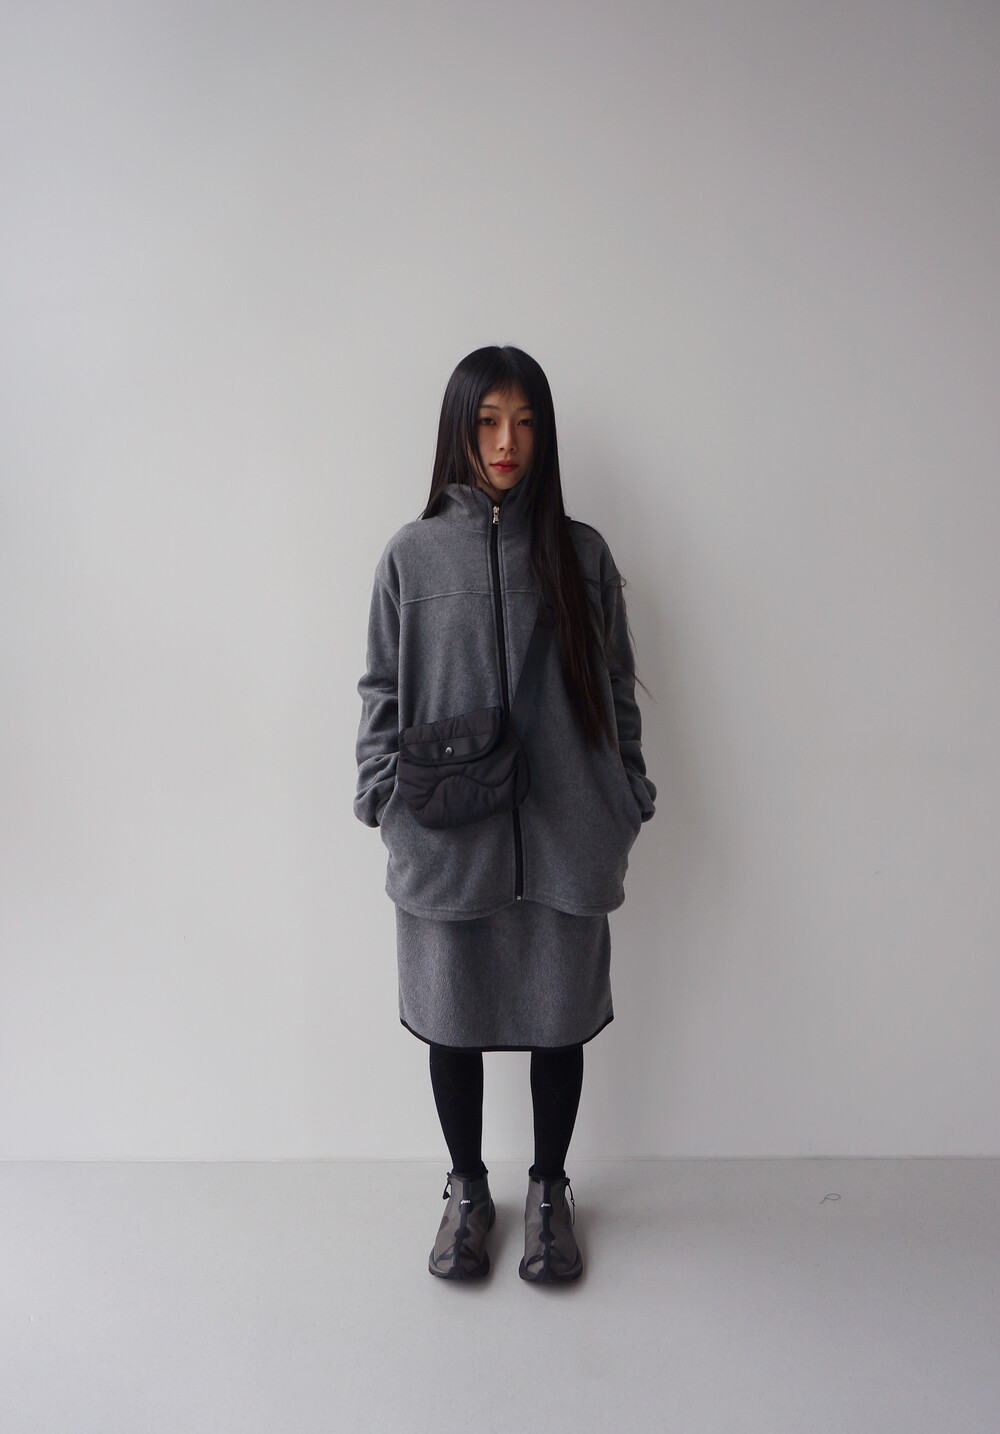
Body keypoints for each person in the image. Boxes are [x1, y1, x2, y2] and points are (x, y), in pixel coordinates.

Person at [354, 345, 655, 1284]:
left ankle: (551, 1193)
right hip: (446, 839)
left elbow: (618, 687)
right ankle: (467, 1191)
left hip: (567, 835)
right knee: (452, 1022)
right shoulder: (410, 556)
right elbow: (380, 689)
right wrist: (380, 797)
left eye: (524, 421)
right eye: (487, 421)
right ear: (458, 429)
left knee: (558, 1024)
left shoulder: (582, 554)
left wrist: (628, 795)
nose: (506, 442)